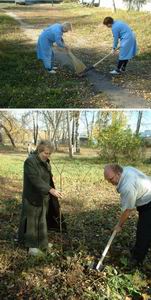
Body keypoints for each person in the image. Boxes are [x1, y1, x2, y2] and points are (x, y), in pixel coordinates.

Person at [18, 140, 66, 256]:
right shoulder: (30, 162)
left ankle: (42, 243)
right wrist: (50, 190)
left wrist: (52, 190)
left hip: (43, 196)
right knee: (32, 221)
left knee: (42, 220)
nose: (48, 156)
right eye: (46, 153)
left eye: (50, 154)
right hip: (32, 196)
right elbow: (35, 179)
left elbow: (47, 178)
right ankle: (32, 247)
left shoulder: (46, 161)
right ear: (39, 150)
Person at [104, 164, 151, 267]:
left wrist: (119, 225)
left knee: (143, 232)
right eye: (107, 180)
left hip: (149, 201)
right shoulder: (127, 169)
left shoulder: (127, 187)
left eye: (110, 179)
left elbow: (127, 210)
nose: (109, 182)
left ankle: (137, 260)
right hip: (147, 196)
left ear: (118, 173)